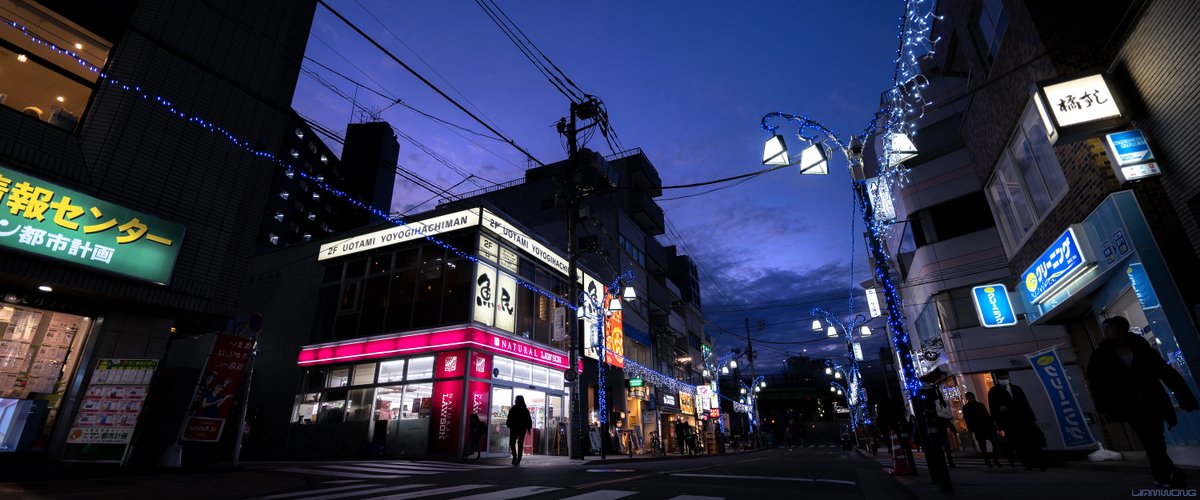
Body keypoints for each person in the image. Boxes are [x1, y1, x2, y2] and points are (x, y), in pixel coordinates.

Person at [1088, 316, 1198, 488]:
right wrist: (1104, 406)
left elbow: (1166, 372)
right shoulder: (1101, 355)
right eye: (1104, 329)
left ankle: (1162, 474)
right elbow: (1097, 383)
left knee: (1155, 438)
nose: (1105, 332)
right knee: (1150, 438)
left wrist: (1184, 397)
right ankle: (1169, 473)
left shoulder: (1142, 348)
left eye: (1109, 328)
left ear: (1121, 329)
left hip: (1153, 400)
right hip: (1130, 405)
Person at [988, 369, 1046, 470]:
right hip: (1009, 422)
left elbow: (1025, 404)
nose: (1004, 380)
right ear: (997, 379)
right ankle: (1027, 463)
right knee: (1019, 444)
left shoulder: (1016, 388)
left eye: (1005, 377)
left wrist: (1032, 419)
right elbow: (992, 408)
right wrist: (998, 419)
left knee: (1032, 441)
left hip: (1024, 419)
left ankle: (1039, 462)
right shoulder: (993, 391)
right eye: (1001, 378)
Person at [961, 392, 1002, 467]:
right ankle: (988, 461)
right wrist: (970, 428)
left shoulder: (980, 405)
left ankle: (994, 459)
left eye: (972, 397)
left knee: (995, 443)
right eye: (970, 397)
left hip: (987, 426)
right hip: (978, 428)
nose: (972, 398)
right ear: (967, 399)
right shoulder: (966, 407)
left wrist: (992, 423)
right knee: (983, 445)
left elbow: (986, 414)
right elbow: (967, 418)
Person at [506, 396, 533, 465]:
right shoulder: (525, 409)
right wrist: (529, 428)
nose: (515, 400)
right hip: (522, 428)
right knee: (520, 443)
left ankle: (515, 456)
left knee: (512, 442)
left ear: (518, 400)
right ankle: (518, 458)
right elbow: (528, 419)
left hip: (514, 428)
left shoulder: (513, 409)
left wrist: (509, 425)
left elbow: (509, 418)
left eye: (516, 399)